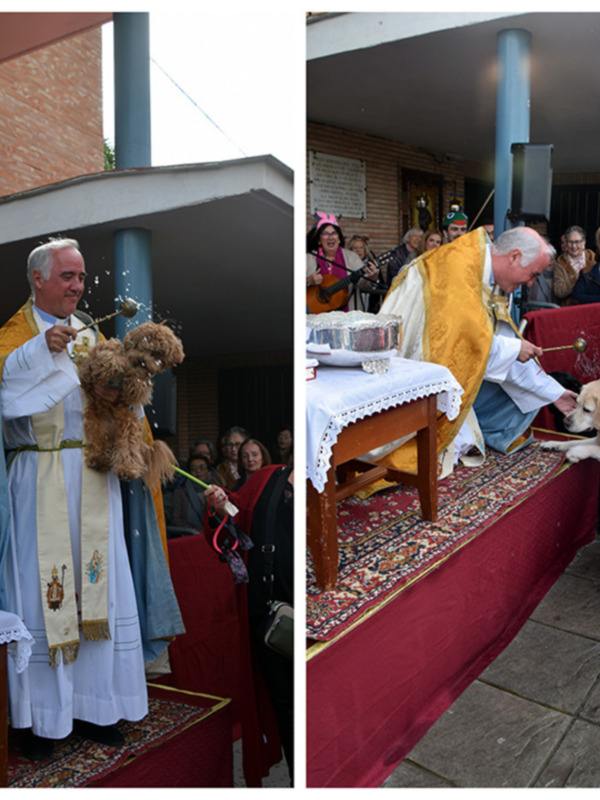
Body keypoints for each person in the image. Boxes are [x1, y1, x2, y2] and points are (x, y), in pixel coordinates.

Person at [0, 237, 182, 760]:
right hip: (38, 475)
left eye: (81, 277)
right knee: (41, 596)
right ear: (37, 279)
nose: (78, 286)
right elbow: (6, 397)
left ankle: (97, 708)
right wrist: (40, 351)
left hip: (94, 476)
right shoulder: (13, 335)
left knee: (99, 594)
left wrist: (124, 389)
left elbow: (116, 401)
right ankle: (37, 720)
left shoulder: (92, 332)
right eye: (67, 277)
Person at [378, 226, 577, 477]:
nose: (530, 283)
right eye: (533, 274)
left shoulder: (485, 272)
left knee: (521, 395)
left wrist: (555, 393)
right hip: (413, 367)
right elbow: (456, 346)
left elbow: (491, 343)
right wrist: (515, 348)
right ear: (514, 257)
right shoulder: (456, 269)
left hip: (444, 367)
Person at [207, 465, 294, 786]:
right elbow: (233, 518)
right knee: (284, 705)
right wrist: (218, 505)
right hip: (268, 613)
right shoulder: (268, 477)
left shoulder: (323, 479)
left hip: (312, 610)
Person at [306, 212, 378, 312]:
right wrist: (308, 281)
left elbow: (363, 284)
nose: (330, 237)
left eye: (334, 233)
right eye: (325, 233)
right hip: (317, 316)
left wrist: (372, 278)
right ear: (319, 239)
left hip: (348, 316)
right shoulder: (308, 259)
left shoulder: (352, 257)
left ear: (339, 238)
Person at [552, 225, 595, 305]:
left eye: (577, 242)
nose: (574, 246)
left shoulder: (593, 259)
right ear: (566, 243)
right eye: (570, 242)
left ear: (584, 242)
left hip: (591, 307)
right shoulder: (560, 263)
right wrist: (576, 279)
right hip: (570, 309)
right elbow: (559, 291)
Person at [170, 454, 214, 531]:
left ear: (209, 471)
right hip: (189, 536)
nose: (198, 471)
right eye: (193, 468)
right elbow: (175, 519)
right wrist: (194, 529)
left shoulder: (215, 491)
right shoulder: (180, 492)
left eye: (202, 467)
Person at [348, 234, 385, 312]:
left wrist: (374, 279)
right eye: (355, 247)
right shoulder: (346, 264)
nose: (358, 250)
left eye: (361, 247)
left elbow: (379, 286)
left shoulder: (371, 265)